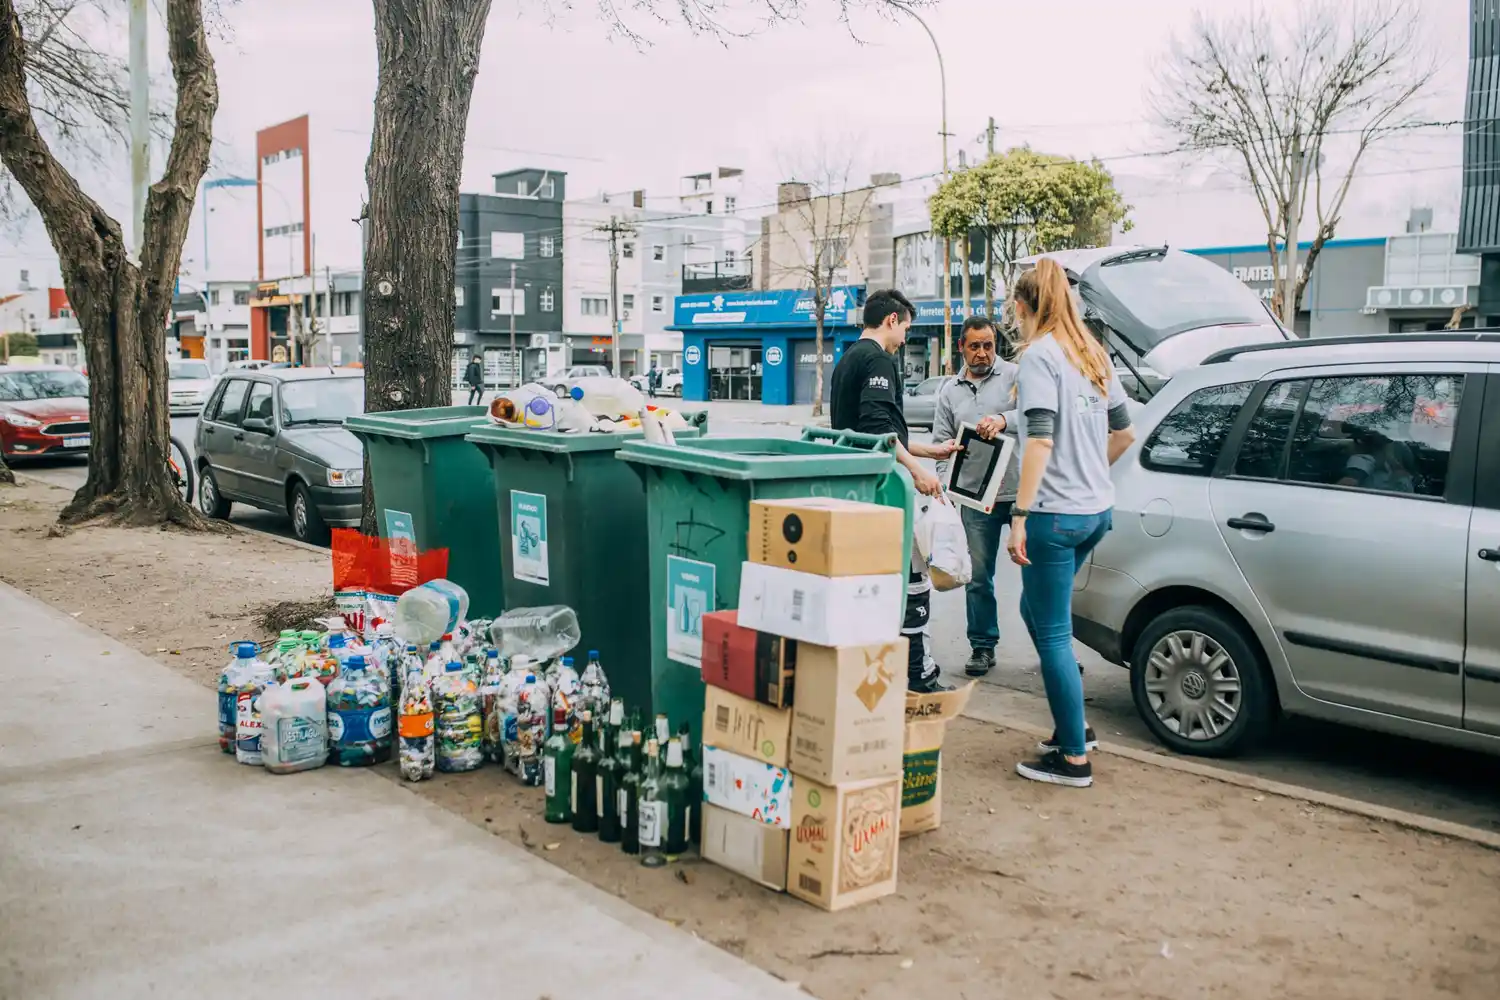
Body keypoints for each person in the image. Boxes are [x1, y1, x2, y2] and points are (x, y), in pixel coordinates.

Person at [1006, 259, 1135, 788]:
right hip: (1095, 511)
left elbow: (1038, 438)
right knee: (1034, 610)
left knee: (1053, 632)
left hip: (1052, 516)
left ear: (1023, 306)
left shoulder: (1039, 356)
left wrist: (1019, 514)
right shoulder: (1092, 353)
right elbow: (1125, 434)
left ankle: (1074, 753)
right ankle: (1072, 720)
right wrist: (1086, 475)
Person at [830, 289, 961, 694]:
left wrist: (928, 449)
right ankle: (917, 675)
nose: (905, 337)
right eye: (905, 327)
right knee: (911, 582)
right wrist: (920, 471)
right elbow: (877, 431)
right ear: (891, 320)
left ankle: (887, 672)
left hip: (857, 485)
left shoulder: (849, 358)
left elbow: (875, 430)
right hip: (882, 489)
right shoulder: (878, 360)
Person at [931, 316, 1020, 678]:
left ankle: (1052, 648)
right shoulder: (950, 391)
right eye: (975, 346)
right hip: (974, 497)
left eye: (988, 345)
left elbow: (1036, 416)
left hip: (1020, 495)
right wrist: (943, 489)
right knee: (979, 577)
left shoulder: (1016, 377)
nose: (982, 353)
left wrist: (1002, 418)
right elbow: (940, 443)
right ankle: (983, 646)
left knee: (1040, 577)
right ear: (961, 348)